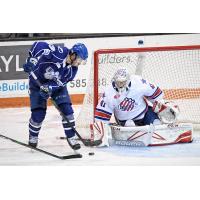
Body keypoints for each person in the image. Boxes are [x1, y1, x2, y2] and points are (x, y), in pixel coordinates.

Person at [23, 41, 88, 150]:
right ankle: (33, 137)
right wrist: (32, 60)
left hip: (55, 88)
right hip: (36, 84)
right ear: (73, 55)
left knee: (67, 111)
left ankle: (71, 137)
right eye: (79, 60)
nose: (79, 63)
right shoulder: (59, 52)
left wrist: (49, 88)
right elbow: (39, 44)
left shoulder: (72, 70)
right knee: (38, 115)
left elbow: (59, 84)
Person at [94, 68, 179, 127]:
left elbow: (156, 94)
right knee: (130, 125)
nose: (119, 85)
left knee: (157, 123)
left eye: (122, 82)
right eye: (118, 82)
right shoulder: (109, 93)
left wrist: (160, 104)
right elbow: (101, 117)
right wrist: (101, 130)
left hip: (145, 113)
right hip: (125, 120)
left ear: (128, 80)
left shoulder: (138, 82)